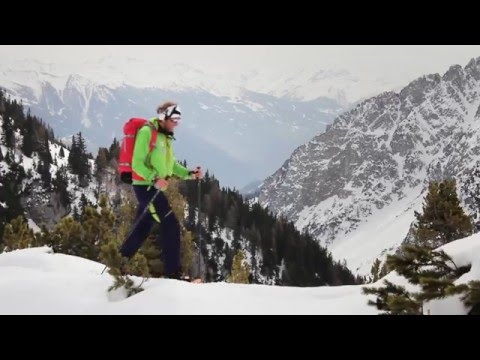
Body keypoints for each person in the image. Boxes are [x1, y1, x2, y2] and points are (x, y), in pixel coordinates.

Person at [120, 101, 203, 279]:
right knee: (170, 224)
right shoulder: (147, 132)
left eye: (178, 119)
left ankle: (118, 262)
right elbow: (137, 163)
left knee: (142, 227)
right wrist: (154, 178)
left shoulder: (165, 135)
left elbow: (170, 164)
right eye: (174, 118)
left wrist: (189, 173)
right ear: (163, 117)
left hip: (154, 186)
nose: (177, 123)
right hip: (145, 187)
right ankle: (173, 273)